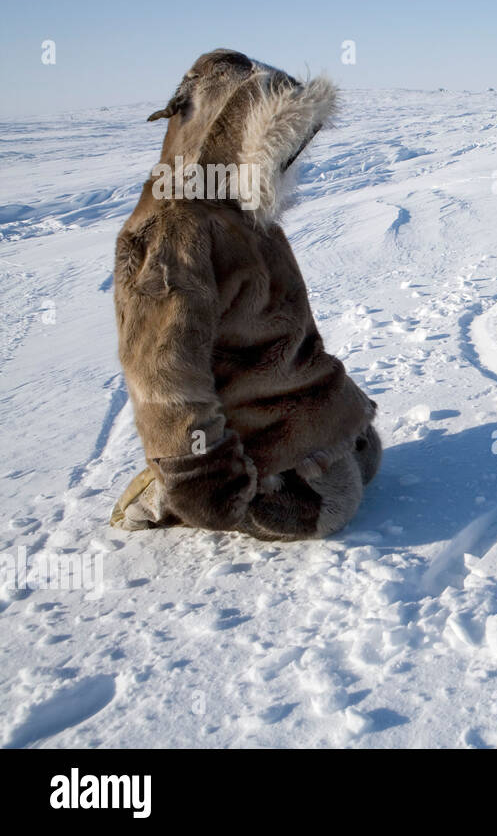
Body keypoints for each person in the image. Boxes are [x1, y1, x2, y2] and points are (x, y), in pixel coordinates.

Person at [110, 49, 380, 541]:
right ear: (226, 135)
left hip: (303, 405)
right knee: (323, 506)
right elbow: (161, 371)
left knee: (366, 458)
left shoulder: (246, 214)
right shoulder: (174, 229)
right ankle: (168, 485)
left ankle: (318, 436)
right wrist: (200, 476)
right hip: (250, 428)